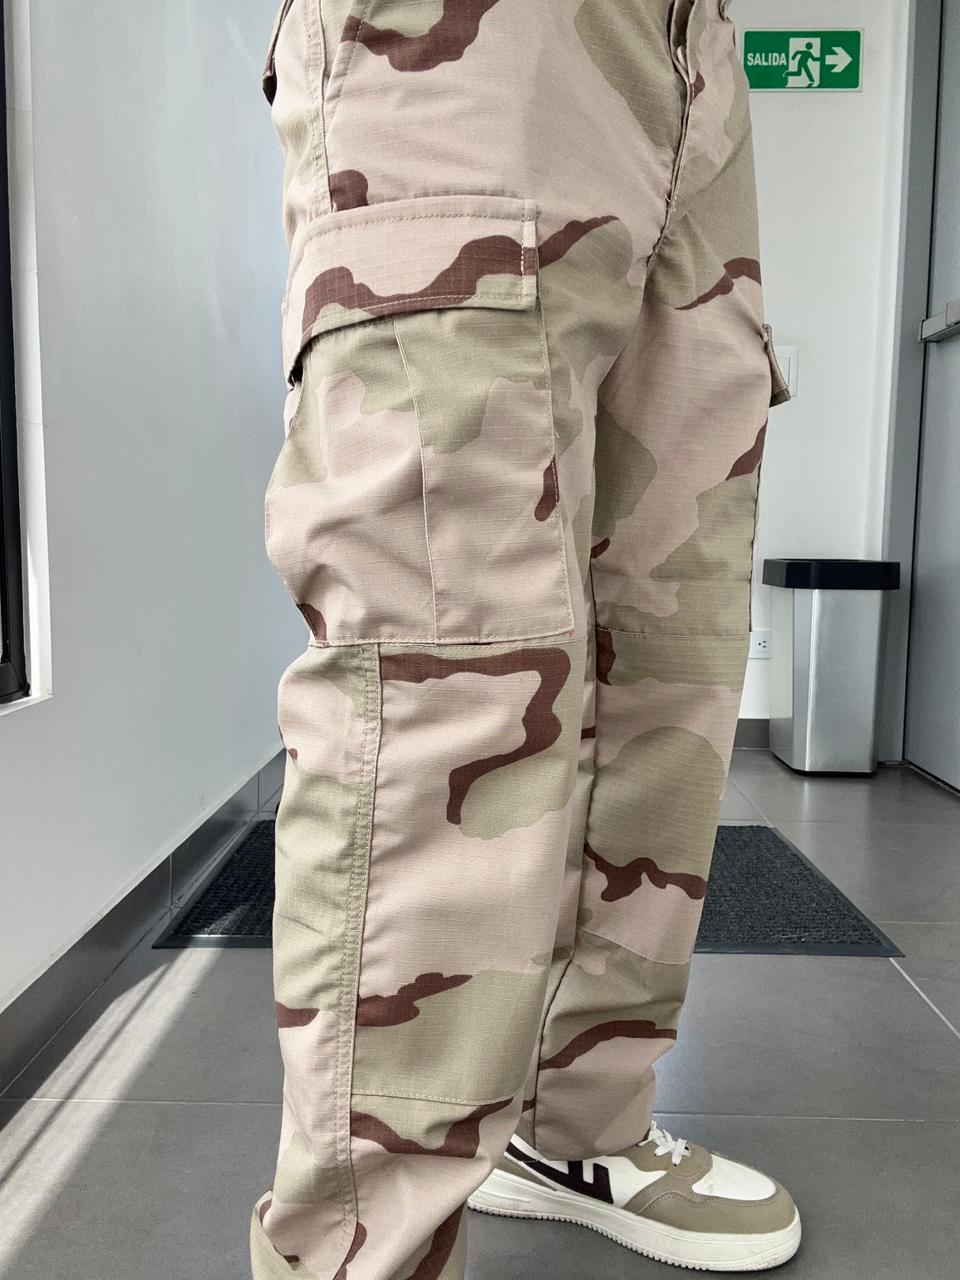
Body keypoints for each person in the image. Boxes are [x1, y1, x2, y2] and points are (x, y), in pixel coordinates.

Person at [250, 1, 799, 1276]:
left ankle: (573, 1125)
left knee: (666, 647)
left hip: (690, 59)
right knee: (450, 676)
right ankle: (357, 1253)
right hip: (480, 44)